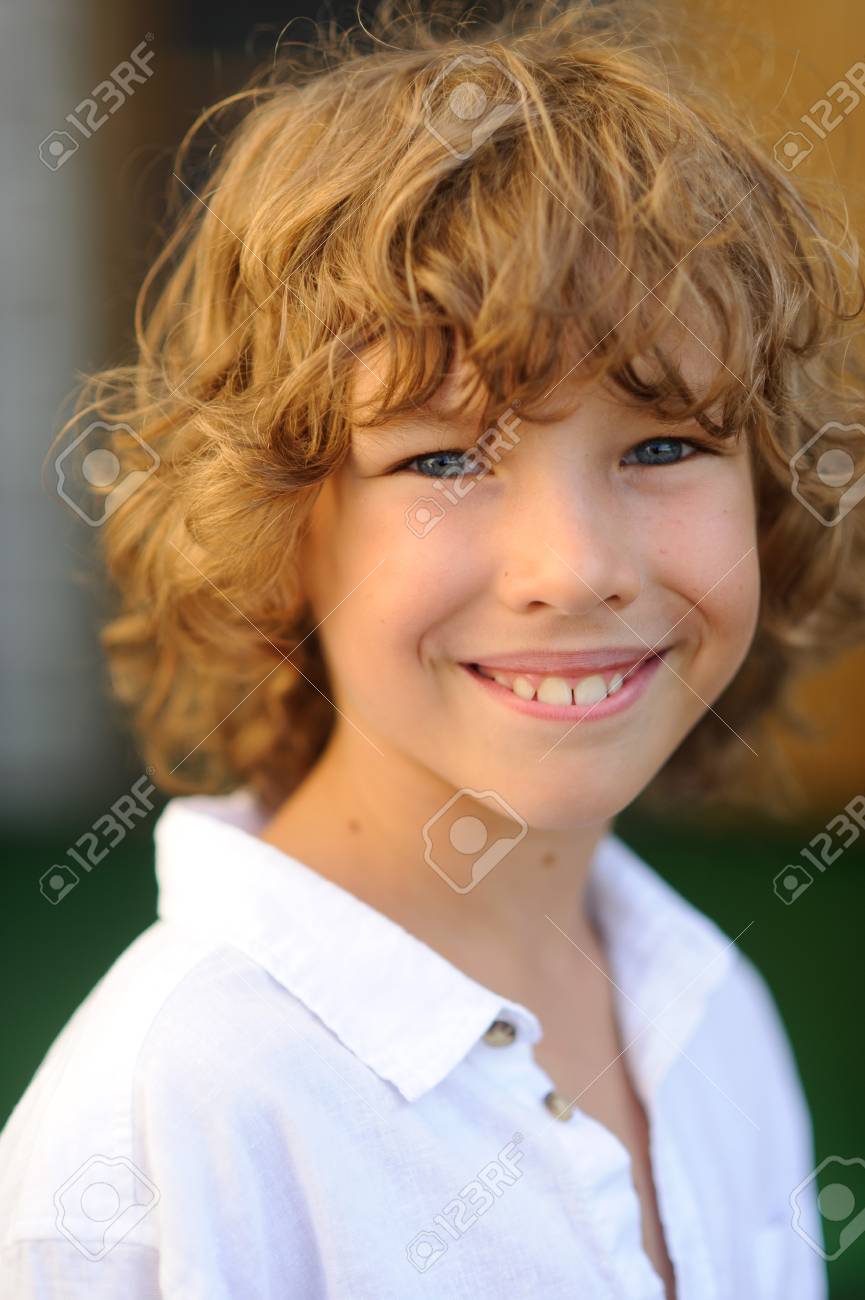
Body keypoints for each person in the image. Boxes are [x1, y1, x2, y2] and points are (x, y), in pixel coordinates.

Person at [3, 1, 864, 1294]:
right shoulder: (169, 1121)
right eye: (444, 457)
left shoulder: (706, 1003)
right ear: (277, 528)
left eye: (663, 445)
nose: (575, 568)